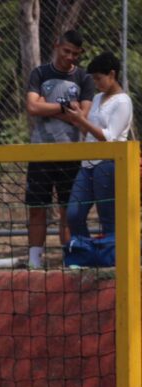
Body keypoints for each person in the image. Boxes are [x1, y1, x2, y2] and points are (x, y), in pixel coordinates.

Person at [25, 29, 95, 267]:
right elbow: (32, 108)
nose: (70, 57)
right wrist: (66, 107)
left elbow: (82, 117)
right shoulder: (40, 73)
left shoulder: (84, 79)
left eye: (75, 54)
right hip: (40, 151)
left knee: (67, 210)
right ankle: (34, 261)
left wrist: (49, 106)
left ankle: (69, 259)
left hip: (71, 152)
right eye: (66, 51)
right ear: (56, 46)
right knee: (37, 208)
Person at [64, 51, 133, 240]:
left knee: (108, 216)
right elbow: (91, 132)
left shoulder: (123, 102)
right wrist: (78, 119)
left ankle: (113, 259)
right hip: (87, 165)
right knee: (74, 214)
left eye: (98, 78)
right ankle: (86, 252)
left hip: (108, 165)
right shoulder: (96, 99)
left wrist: (82, 121)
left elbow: (109, 137)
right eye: (93, 79)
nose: (96, 83)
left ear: (112, 74)